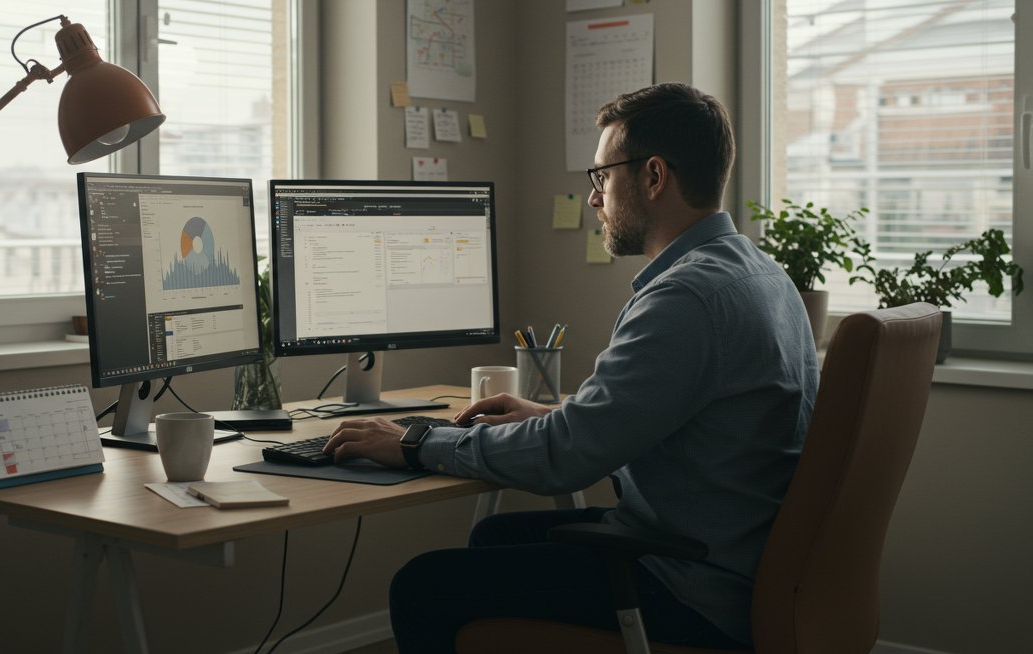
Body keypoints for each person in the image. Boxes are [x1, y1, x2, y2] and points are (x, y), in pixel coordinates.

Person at [324, 83, 819, 651]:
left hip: (689, 584)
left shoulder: (685, 299)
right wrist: (551, 415)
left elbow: (565, 461)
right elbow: (677, 424)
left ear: (654, 176)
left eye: (601, 177)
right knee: (494, 537)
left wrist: (413, 443)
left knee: (422, 586)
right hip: (732, 558)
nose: (593, 199)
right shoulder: (760, 274)